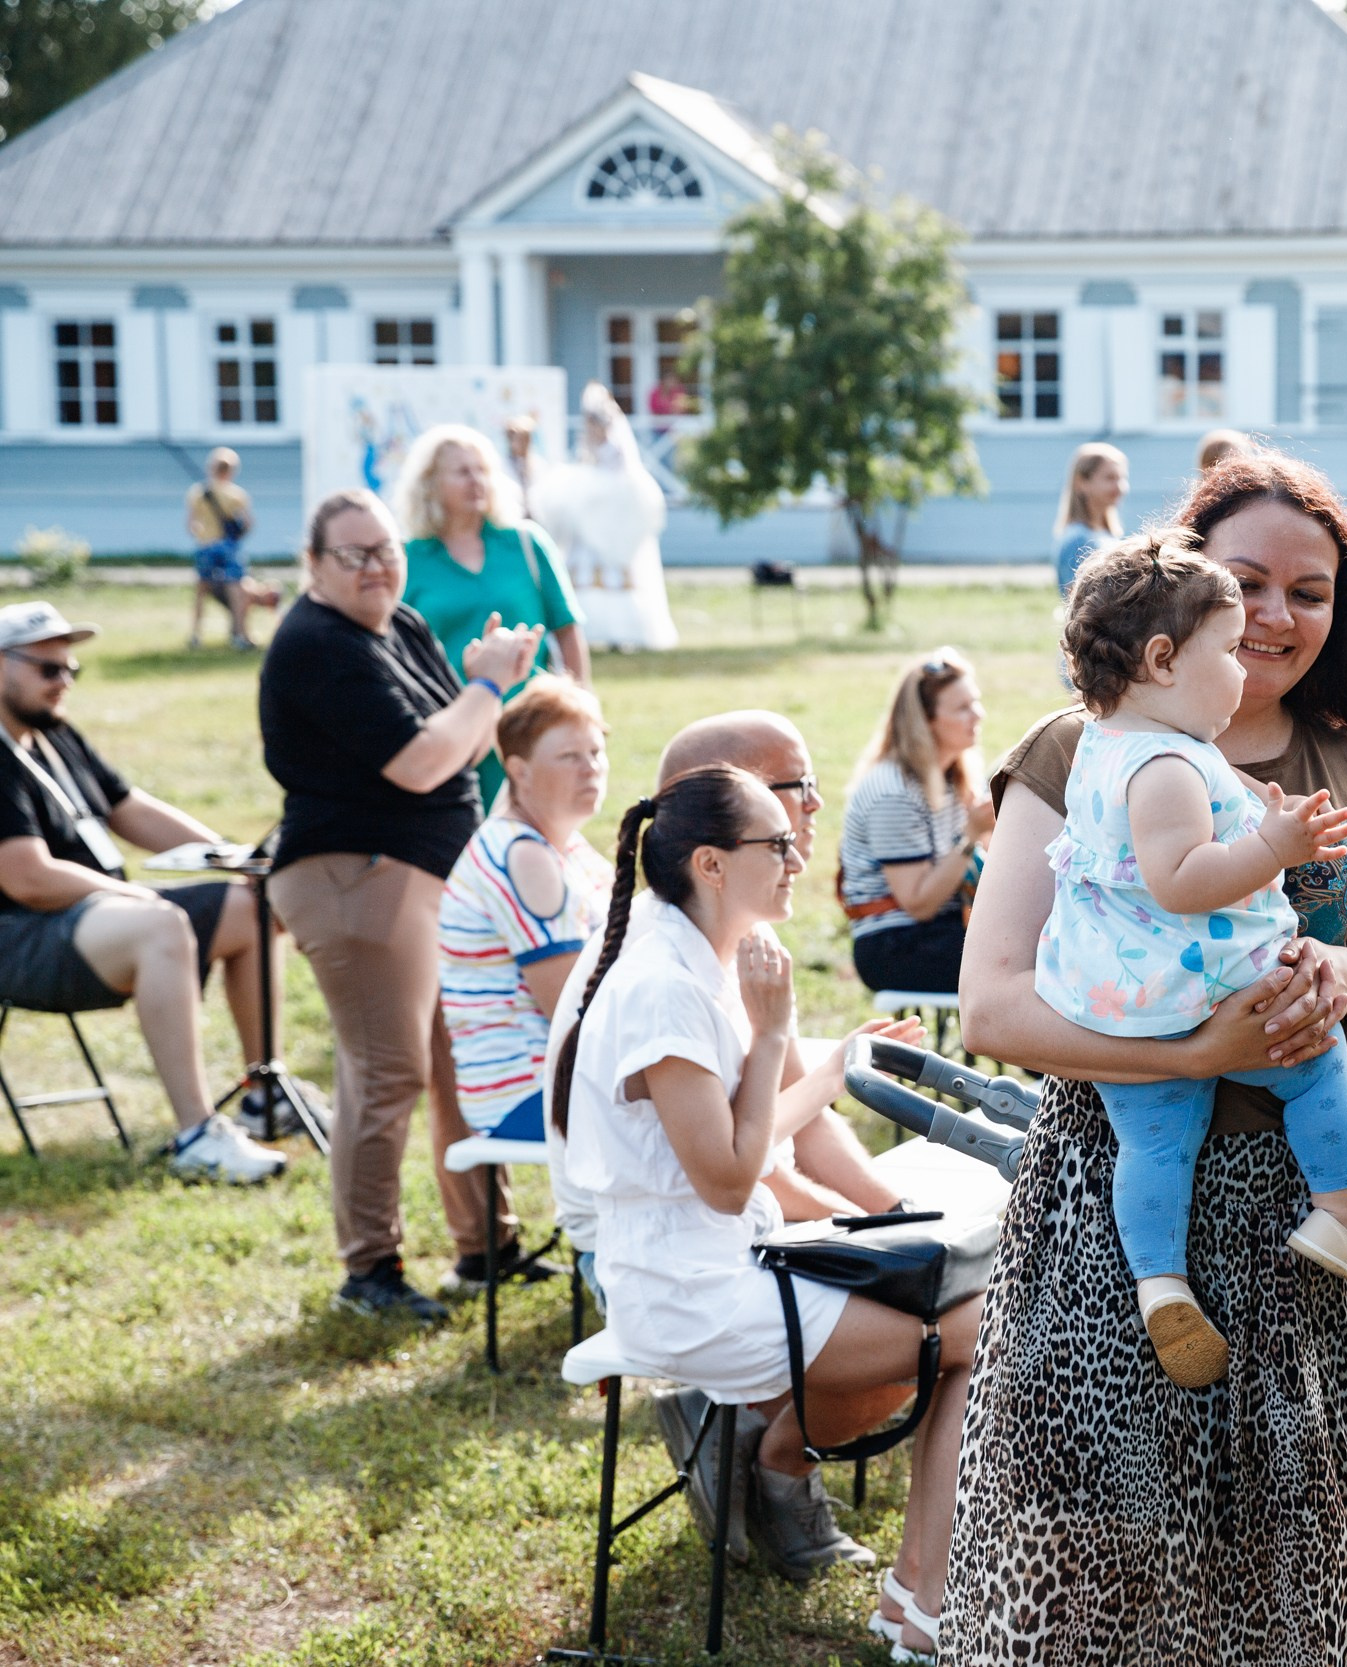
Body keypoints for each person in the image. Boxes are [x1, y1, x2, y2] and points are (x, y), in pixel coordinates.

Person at [951, 453, 1347, 1664]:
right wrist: (1195, 1048)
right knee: (1114, 1562)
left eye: (1313, 590)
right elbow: (991, 1004)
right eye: (1251, 583)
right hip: (1131, 1211)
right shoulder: (1077, 754)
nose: (1281, 617)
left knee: (1314, 1568)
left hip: (1319, 1215)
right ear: (1183, 601)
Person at [555, 764, 972, 1625]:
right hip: (695, 1293)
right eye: (775, 841)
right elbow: (726, 1178)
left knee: (961, 1296)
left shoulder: (693, 958)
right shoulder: (665, 985)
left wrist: (830, 1063)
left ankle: (804, 1486)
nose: (795, 854)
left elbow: (744, 1146)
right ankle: (919, 1592)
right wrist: (778, 1026)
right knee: (983, 1333)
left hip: (734, 1261)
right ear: (711, 863)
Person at [1042, 533, 1347, 1387]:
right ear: (1162, 659)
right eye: (1227, 651)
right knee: (1313, 1062)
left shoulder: (1102, 746)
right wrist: (1274, 843)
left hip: (1120, 1002)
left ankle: (1160, 1284)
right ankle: (1339, 1218)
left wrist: (1261, 825)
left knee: (1155, 1148)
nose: (1240, 670)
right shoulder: (1166, 763)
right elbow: (1183, 878)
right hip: (1207, 985)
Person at [262, 488, 543, 1322]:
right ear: (313, 565)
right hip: (354, 879)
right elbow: (422, 762)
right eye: (355, 554)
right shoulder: (317, 644)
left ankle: (484, 1248)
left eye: (387, 549)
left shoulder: (399, 623)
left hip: (420, 874)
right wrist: (488, 689)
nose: (379, 567)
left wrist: (491, 684)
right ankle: (369, 1272)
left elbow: (452, 738)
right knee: (387, 1072)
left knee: (458, 1058)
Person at [0, 600, 287, 1183]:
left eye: (71, 671)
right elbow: (26, 877)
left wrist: (242, 860)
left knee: (251, 906)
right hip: (21, 936)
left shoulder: (53, 738)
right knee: (160, 923)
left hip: (90, 919)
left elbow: (132, 811)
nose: (64, 683)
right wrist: (129, 897)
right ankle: (197, 1135)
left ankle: (265, 1091)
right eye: (48, 670)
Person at [434, 677, 612, 1290]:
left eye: (597, 751)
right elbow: (570, 1006)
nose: (592, 768)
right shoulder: (524, 857)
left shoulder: (562, 846)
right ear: (518, 770)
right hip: (527, 1092)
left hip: (562, 1075)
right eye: (570, 756)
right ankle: (619, 1274)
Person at [393, 423, 590, 807]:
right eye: (462, 471)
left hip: (532, 724)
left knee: (537, 832)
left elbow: (567, 629)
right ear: (431, 483)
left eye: (483, 469)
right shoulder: (409, 559)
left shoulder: (526, 544)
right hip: (448, 725)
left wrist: (583, 705)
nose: (476, 480)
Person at [839, 649, 991, 995]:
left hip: (944, 928)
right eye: (962, 708)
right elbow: (918, 904)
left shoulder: (957, 779)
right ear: (926, 720)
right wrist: (971, 836)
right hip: (894, 944)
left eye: (976, 702)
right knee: (1018, 963)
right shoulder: (894, 791)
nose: (978, 715)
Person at [535, 384, 678, 653]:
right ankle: (585, 632)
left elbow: (623, 482)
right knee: (582, 571)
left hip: (610, 523)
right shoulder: (586, 444)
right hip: (588, 523)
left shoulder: (616, 446)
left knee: (614, 573)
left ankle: (621, 633)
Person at [185, 448, 278, 650]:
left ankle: (195, 635)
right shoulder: (236, 495)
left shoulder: (197, 493)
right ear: (232, 471)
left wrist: (203, 534)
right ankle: (239, 635)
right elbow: (248, 523)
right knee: (236, 590)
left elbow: (191, 525)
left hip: (205, 546)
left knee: (202, 591)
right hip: (229, 546)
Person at [1052, 441, 1129, 594]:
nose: (1120, 487)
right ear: (1081, 483)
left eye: (1122, 478)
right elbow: (1080, 601)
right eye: (1110, 478)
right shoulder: (1078, 540)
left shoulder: (1108, 535)